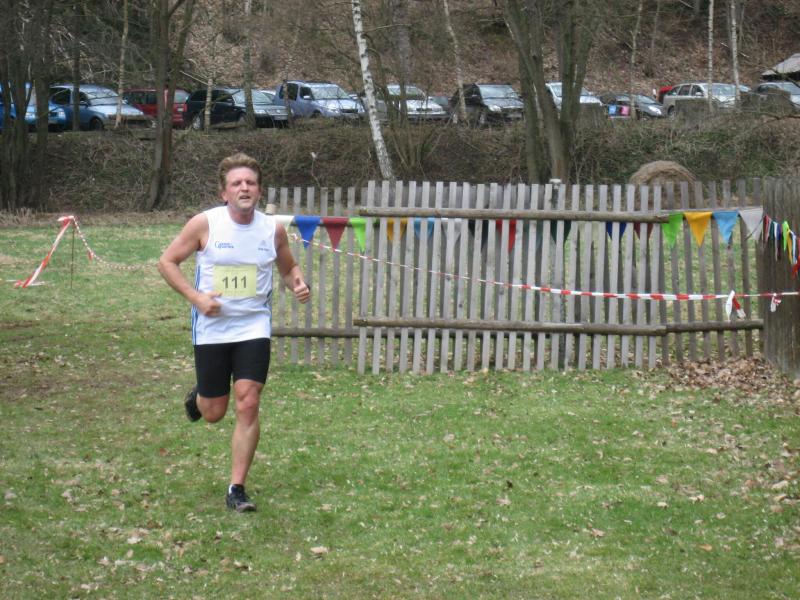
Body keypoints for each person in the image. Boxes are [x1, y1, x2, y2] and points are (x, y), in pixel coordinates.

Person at [157, 152, 310, 512]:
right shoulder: (204, 224)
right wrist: (196, 298)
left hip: (253, 324)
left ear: (259, 190)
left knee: (248, 400)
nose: (244, 188)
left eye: (250, 183)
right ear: (223, 192)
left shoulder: (272, 229)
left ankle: (236, 488)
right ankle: (200, 396)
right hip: (212, 325)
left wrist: (297, 282)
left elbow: (288, 267)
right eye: (236, 183)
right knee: (213, 412)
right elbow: (167, 262)